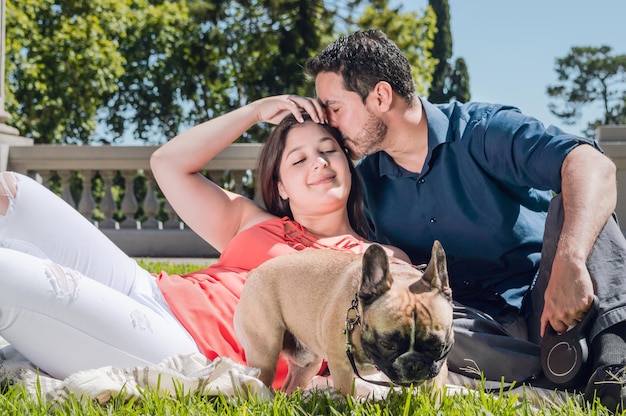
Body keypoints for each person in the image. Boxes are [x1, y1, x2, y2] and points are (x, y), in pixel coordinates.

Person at [299, 28, 626, 411]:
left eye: (334, 108)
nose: (329, 124)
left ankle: (613, 367)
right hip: (468, 329)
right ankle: (562, 371)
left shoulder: (483, 131)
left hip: (553, 304)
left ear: (381, 96)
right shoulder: (364, 183)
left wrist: (569, 261)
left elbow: (593, 165)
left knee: (581, 201)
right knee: (414, 331)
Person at [0, 95, 408, 389]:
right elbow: (168, 163)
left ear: (347, 165)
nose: (318, 162)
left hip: (184, 347)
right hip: (146, 289)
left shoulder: (374, 259)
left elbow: (403, 328)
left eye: (328, 151)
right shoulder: (251, 219)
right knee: (13, 192)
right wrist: (254, 112)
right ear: (281, 186)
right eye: (298, 159)